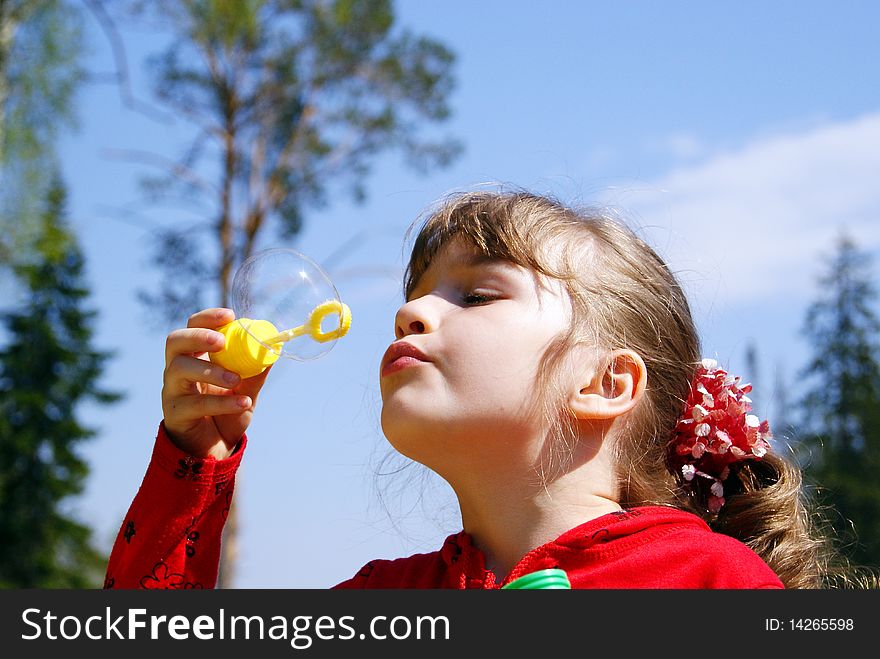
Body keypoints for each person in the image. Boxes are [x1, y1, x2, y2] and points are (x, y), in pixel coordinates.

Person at [104, 188, 852, 590]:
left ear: (605, 381)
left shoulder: (707, 583)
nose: (411, 310)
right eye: (419, 292)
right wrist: (192, 464)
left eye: (477, 295)